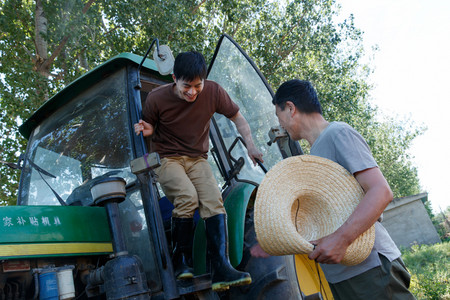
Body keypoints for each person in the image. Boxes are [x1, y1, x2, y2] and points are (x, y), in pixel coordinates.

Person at [269, 79, 415, 300]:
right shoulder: (314, 155)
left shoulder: (338, 133)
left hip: (370, 269)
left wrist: (341, 240)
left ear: (290, 108)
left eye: (280, 118)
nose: (282, 126)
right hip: (342, 277)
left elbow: (381, 191)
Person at [134, 51, 263, 292]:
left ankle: (221, 267)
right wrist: (146, 129)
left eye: (197, 85)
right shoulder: (156, 98)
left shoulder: (213, 92)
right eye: (186, 86)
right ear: (174, 78)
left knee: (214, 202)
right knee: (187, 197)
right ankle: (182, 261)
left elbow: (239, 119)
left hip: (198, 159)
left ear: (203, 80)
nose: (192, 92)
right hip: (167, 158)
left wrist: (251, 146)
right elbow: (150, 128)